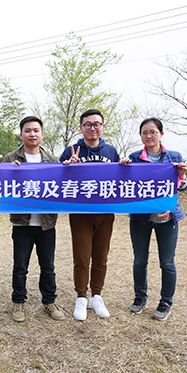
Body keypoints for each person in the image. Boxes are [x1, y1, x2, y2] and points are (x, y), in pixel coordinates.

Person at [0, 116, 64, 322]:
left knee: (48, 266)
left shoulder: (52, 160)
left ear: (42, 134)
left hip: (46, 223)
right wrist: (6, 171)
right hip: (21, 223)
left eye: (36, 130)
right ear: (21, 134)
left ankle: (49, 302)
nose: (32, 134)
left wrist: (71, 168)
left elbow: (63, 187)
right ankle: (19, 302)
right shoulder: (11, 158)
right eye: (28, 130)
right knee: (20, 267)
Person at [119, 117, 187, 321]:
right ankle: (140, 297)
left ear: (161, 134)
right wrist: (123, 167)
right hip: (141, 217)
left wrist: (181, 175)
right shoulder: (134, 157)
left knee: (167, 262)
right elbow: (127, 186)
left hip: (168, 216)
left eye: (153, 132)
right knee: (140, 260)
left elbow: (181, 187)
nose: (148, 136)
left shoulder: (174, 156)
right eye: (144, 133)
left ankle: (166, 302)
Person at [60, 109, 120, 321]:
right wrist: (68, 167)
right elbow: (58, 180)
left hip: (105, 212)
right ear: (81, 127)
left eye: (96, 124)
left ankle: (97, 295)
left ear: (102, 127)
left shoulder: (111, 151)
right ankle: (81, 297)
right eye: (88, 124)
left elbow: (120, 179)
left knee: (101, 256)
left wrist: (125, 165)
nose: (92, 128)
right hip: (80, 213)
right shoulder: (70, 150)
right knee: (82, 257)